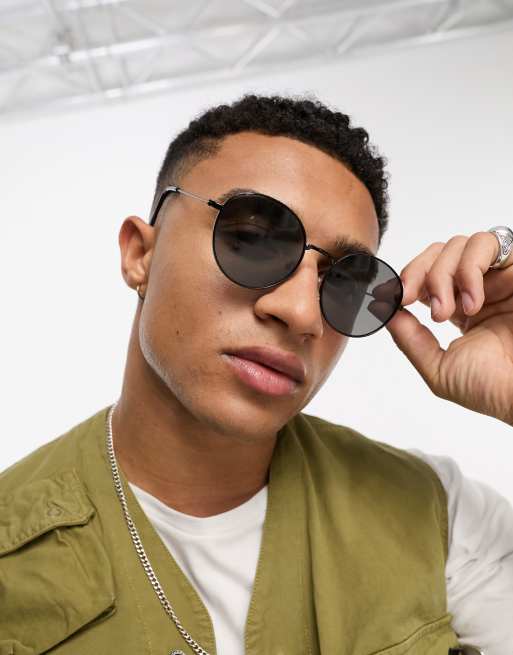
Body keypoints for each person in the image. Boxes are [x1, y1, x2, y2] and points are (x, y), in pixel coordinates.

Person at [1, 94, 512, 655]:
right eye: (250, 241)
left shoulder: (440, 516)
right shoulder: (11, 559)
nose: (301, 313)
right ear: (140, 255)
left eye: (345, 281)